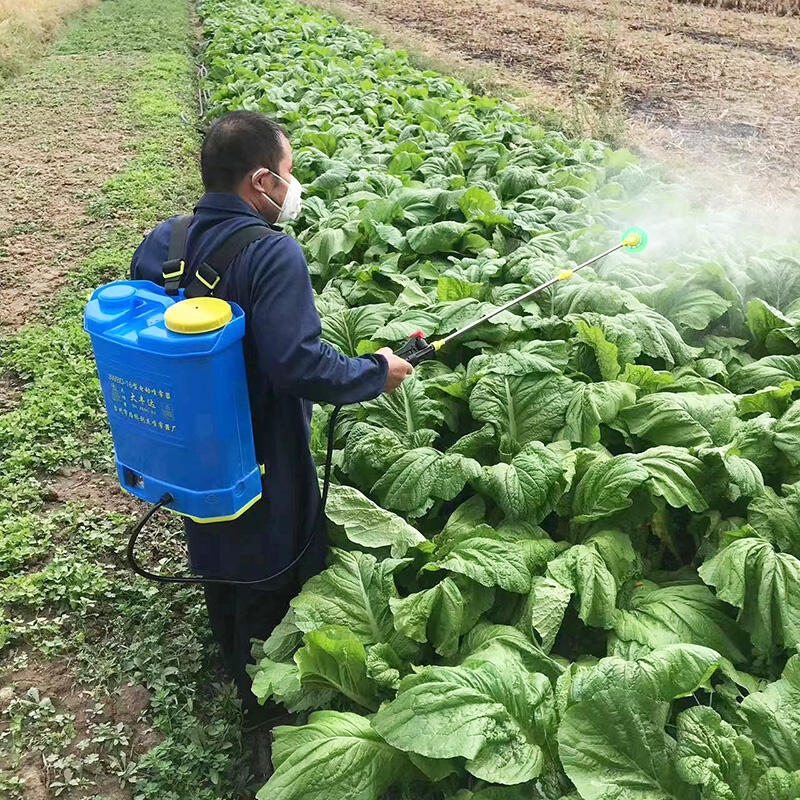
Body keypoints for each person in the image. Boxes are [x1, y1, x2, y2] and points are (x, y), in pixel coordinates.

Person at [130, 110, 413, 724]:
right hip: (264, 443)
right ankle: (266, 699)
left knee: (212, 533)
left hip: (190, 443)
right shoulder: (272, 253)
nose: (293, 186)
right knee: (278, 559)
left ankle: (229, 645)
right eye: (288, 172)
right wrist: (376, 372)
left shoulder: (164, 242)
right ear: (261, 180)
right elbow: (298, 366)